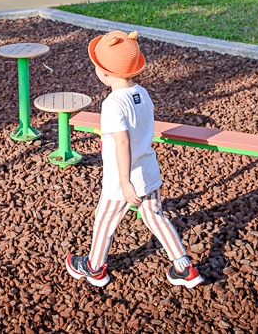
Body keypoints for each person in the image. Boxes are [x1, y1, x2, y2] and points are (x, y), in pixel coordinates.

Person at [65, 30, 203, 289]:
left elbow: (122, 142)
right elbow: (136, 131)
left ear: (104, 73)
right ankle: (184, 267)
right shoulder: (143, 94)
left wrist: (125, 181)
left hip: (122, 179)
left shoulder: (112, 103)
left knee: (104, 221)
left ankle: (94, 268)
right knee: (156, 217)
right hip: (148, 170)